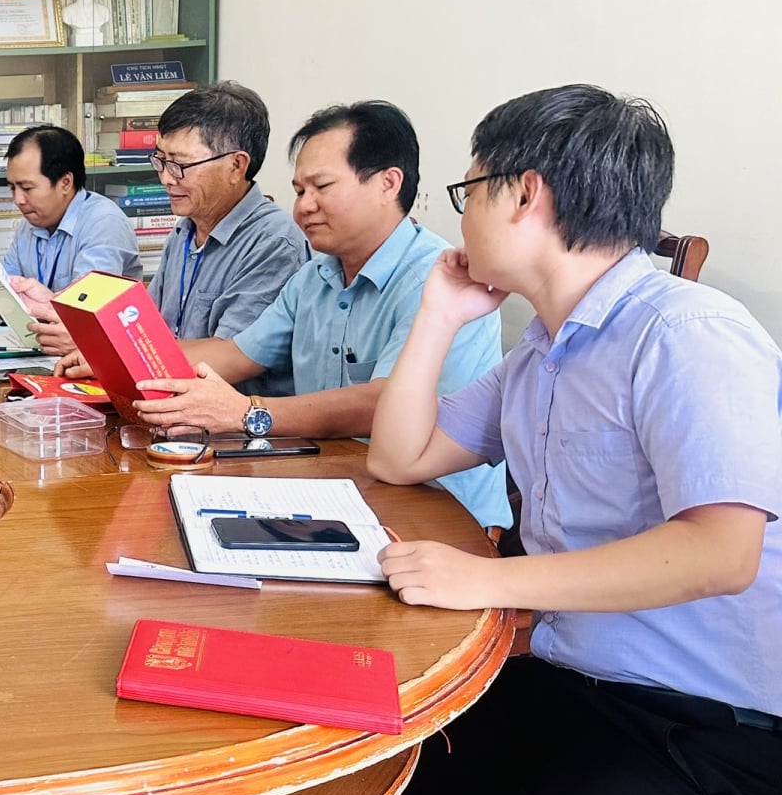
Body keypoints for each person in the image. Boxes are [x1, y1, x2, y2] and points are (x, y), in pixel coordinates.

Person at [364, 85, 782, 795]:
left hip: (716, 738)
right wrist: (437, 314)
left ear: (526, 193)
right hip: (585, 690)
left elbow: (721, 552)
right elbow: (400, 456)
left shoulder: (687, 333)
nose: (459, 216)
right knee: (378, 763)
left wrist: (491, 580)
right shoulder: (543, 350)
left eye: (467, 190)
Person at [64, 100, 509, 528]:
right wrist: (121, 355)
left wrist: (248, 412)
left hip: (435, 512)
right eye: (299, 191)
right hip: (330, 494)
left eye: (322, 187)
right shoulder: (315, 275)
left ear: (388, 184)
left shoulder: (438, 281)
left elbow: (380, 402)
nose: (303, 206)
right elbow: (236, 354)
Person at [24, 82, 308, 374]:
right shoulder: (184, 231)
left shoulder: (274, 243)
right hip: (162, 393)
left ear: (236, 165)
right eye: (161, 160)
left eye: (180, 165)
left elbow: (230, 357)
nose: (166, 179)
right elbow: (147, 331)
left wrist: (107, 350)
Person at [0, 125, 143, 326]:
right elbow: (1, 285)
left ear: (65, 182)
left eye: (27, 188)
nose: (18, 199)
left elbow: (83, 312)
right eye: (12, 188)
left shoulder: (103, 223)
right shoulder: (30, 226)